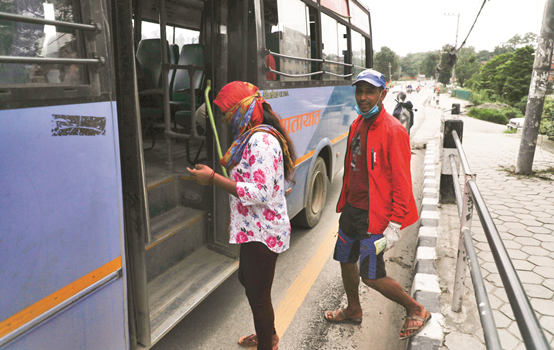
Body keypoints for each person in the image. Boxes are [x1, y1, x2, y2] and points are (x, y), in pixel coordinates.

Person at [187, 81, 296, 350]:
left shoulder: (260, 141)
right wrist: (236, 219)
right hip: (253, 227)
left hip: (264, 232)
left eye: (226, 113)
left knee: (258, 297)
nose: (224, 119)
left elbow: (259, 193)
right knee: (247, 280)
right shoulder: (250, 135)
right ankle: (267, 336)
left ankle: (267, 343)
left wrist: (213, 179)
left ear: (242, 110)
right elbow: (252, 187)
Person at [324, 69, 430, 340]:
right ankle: (353, 310)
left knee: (371, 276)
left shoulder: (393, 131)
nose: (363, 97)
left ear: (383, 94)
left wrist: (395, 223)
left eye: (369, 92)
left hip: (376, 218)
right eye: (359, 91)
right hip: (352, 211)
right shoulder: (356, 124)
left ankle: (416, 309)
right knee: (345, 260)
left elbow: (401, 182)